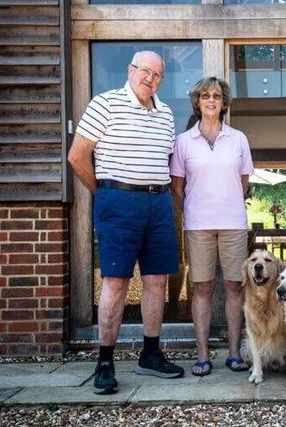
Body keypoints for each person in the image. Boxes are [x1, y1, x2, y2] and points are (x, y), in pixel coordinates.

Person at [68, 51, 184, 394]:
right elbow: (77, 156)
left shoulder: (166, 115)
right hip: (118, 200)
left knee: (158, 281)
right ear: (130, 70)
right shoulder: (105, 103)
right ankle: (105, 361)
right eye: (144, 71)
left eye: (157, 74)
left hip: (159, 202)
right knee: (116, 283)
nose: (150, 78)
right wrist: (104, 192)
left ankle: (150, 354)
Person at [171, 77, 254, 376]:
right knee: (202, 287)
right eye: (205, 95)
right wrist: (194, 209)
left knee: (234, 286)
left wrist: (226, 202)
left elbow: (244, 182)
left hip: (233, 223)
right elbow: (177, 186)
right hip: (198, 226)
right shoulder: (183, 142)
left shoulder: (238, 139)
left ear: (223, 102)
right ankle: (203, 356)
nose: (210, 100)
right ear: (198, 101)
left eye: (216, 96)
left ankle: (233, 353)